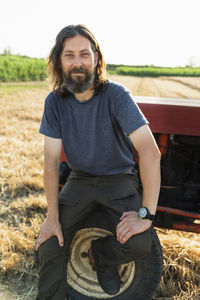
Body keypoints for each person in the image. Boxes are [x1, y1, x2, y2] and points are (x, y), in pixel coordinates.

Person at [35, 24, 161, 300]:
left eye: (84, 54)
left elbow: (150, 152)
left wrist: (146, 215)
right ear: (59, 60)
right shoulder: (55, 102)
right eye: (69, 55)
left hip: (118, 180)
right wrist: (52, 218)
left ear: (96, 58)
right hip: (79, 180)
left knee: (140, 242)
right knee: (47, 246)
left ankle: (102, 255)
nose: (77, 62)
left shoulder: (116, 95)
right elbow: (52, 161)